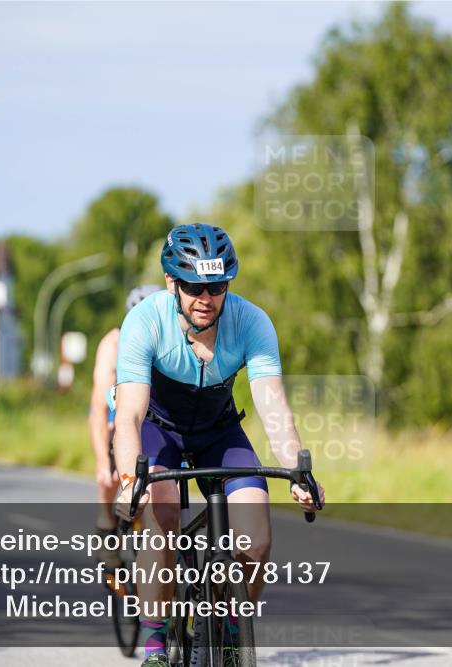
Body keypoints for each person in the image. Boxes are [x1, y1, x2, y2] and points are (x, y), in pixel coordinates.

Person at [112, 223, 326, 667]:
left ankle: (231, 631)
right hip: (160, 429)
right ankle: (154, 643)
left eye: (217, 286)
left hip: (220, 431)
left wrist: (297, 473)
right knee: (163, 511)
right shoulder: (145, 321)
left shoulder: (251, 322)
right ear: (172, 281)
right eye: (193, 286)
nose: (205, 299)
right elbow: (129, 415)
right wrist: (133, 479)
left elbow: (274, 409)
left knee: (257, 540)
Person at [89, 285, 164, 559]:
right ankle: (105, 523)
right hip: (113, 409)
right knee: (109, 477)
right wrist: (101, 460)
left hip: (154, 412)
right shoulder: (113, 343)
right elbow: (99, 409)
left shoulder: (168, 336)